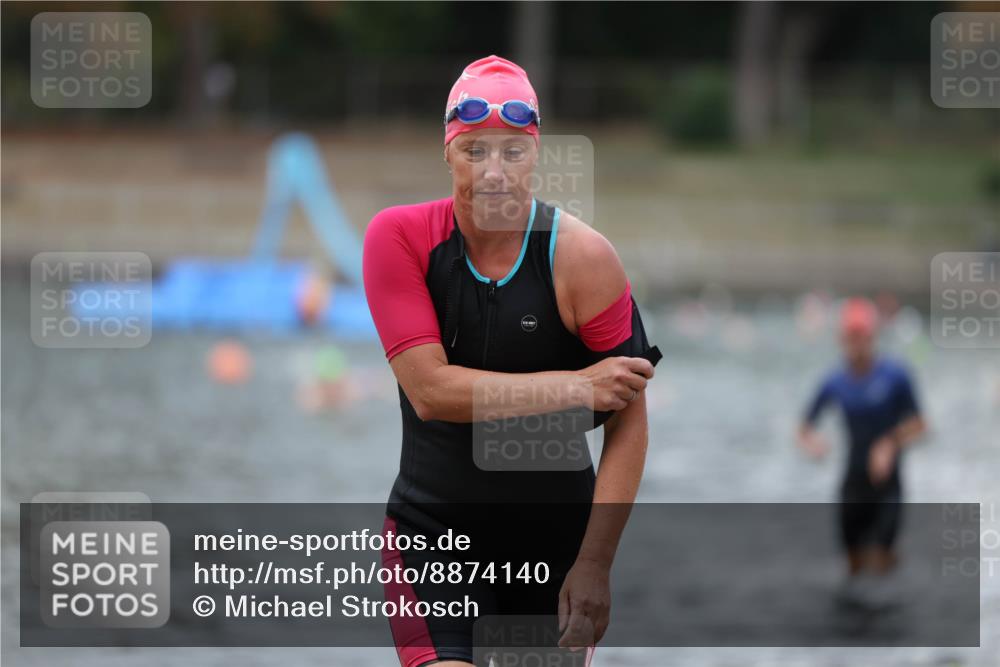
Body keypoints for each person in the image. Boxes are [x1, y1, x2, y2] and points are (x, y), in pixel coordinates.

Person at [363, 55, 660, 667]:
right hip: (433, 534)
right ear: (447, 152)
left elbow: (630, 422)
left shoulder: (584, 259)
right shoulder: (399, 239)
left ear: (536, 154)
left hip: (555, 544)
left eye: (512, 152)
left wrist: (595, 564)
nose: (493, 172)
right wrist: (577, 387)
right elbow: (431, 391)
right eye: (474, 151)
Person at [798, 297, 926, 581]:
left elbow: (921, 425)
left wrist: (889, 443)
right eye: (850, 337)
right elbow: (803, 428)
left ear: (873, 336)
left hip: (887, 483)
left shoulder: (896, 375)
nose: (856, 344)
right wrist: (813, 444)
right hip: (853, 481)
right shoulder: (835, 381)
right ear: (841, 338)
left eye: (862, 336)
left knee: (881, 558)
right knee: (853, 563)